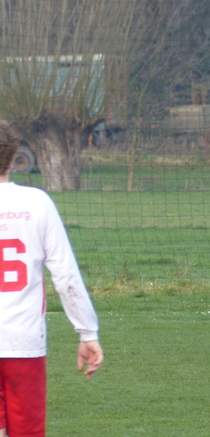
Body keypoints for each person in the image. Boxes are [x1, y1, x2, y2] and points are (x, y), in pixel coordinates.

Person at [0, 120, 103, 437]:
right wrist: (87, 332)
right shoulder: (37, 203)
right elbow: (66, 275)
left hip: (24, 345)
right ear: (13, 156)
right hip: (23, 344)